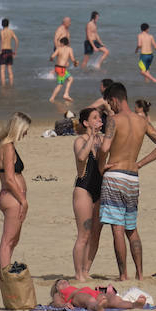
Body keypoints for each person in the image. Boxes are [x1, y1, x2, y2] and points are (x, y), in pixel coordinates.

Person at [98, 82, 156, 281]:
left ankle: (123, 275)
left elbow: (104, 148)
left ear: (114, 99)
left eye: (109, 103)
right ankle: (139, 273)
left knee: (117, 229)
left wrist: (101, 167)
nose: (110, 108)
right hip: (132, 178)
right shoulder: (142, 121)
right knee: (132, 228)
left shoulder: (114, 120)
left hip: (115, 177)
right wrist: (139, 164)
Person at [71, 107, 105, 280]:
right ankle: (78, 274)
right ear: (86, 123)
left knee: (96, 234)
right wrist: (91, 136)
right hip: (84, 189)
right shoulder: (80, 140)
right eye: (94, 118)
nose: (98, 120)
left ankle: (86, 270)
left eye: (100, 117)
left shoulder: (103, 140)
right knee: (83, 234)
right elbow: (82, 158)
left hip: (100, 190)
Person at [0, 112, 30, 271]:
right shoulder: (7, 147)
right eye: (25, 129)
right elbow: (9, 178)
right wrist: (22, 200)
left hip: (9, 197)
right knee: (8, 241)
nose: (26, 133)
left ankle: (6, 274)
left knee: (12, 240)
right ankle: (4, 278)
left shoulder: (2, 144)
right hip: (12, 198)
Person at [47, 279, 151, 311]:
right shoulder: (58, 294)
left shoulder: (74, 287)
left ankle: (134, 305)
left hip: (95, 293)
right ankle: (97, 307)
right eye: (60, 283)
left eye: (65, 281)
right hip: (77, 296)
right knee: (89, 300)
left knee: (113, 299)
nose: (64, 282)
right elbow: (56, 303)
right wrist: (63, 305)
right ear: (56, 288)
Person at [49, 37, 75, 103]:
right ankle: (52, 98)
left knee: (70, 79)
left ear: (62, 43)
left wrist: (51, 59)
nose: (59, 44)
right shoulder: (69, 49)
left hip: (58, 68)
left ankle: (66, 94)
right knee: (60, 84)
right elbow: (72, 59)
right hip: (61, 69)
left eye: (60, 43)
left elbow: (52, 56)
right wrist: (76, 62)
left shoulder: (58, 49)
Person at [0, 18, 18, 86]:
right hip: (10, 51)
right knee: (10, 70)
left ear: (2, 24)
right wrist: (15, 51)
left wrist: (0, 50)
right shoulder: (11, 31)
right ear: (8, 24)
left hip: (4, 51)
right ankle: (11, 85)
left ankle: (3, 86)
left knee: (2, 70)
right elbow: (16, 40)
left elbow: (2, 41)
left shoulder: (2, 32)